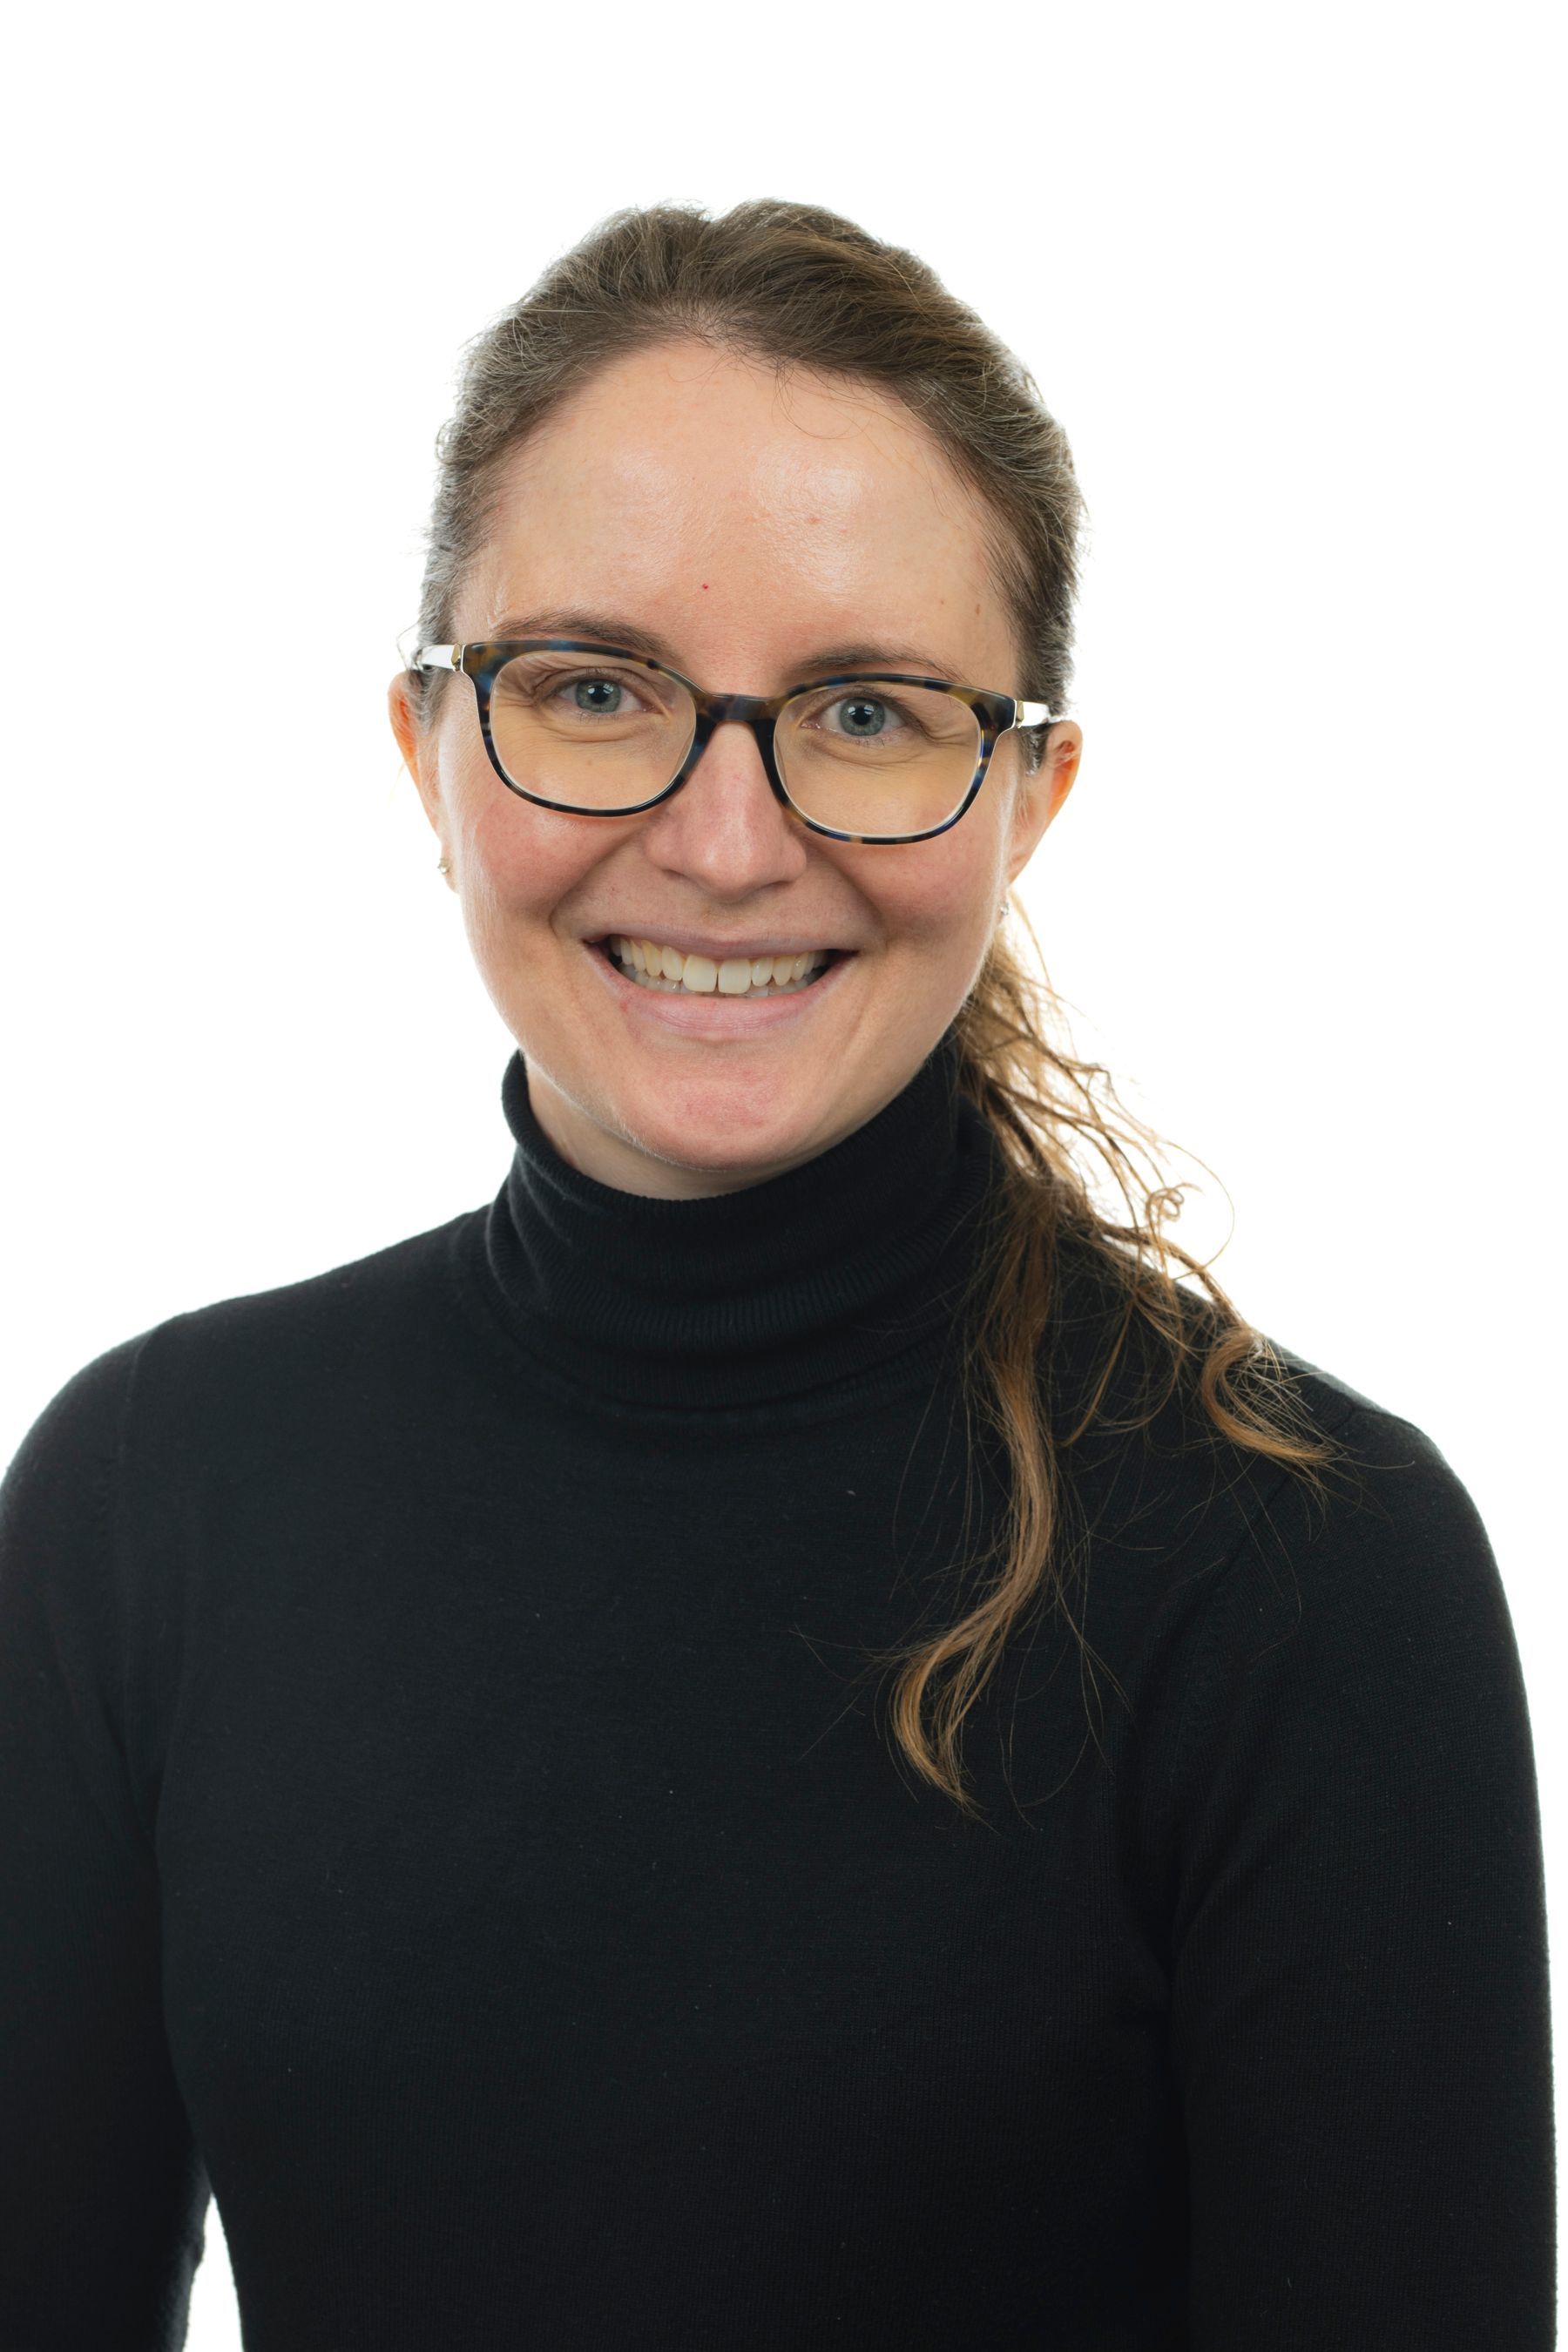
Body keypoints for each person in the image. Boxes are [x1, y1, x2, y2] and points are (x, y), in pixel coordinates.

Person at [0, 198, 1553, 2350]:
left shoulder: (1306, 1564)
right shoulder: (146, 1497)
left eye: (871, 713)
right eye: (594, 685)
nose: (728, 842)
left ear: (1028, 797)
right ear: (424, 755)